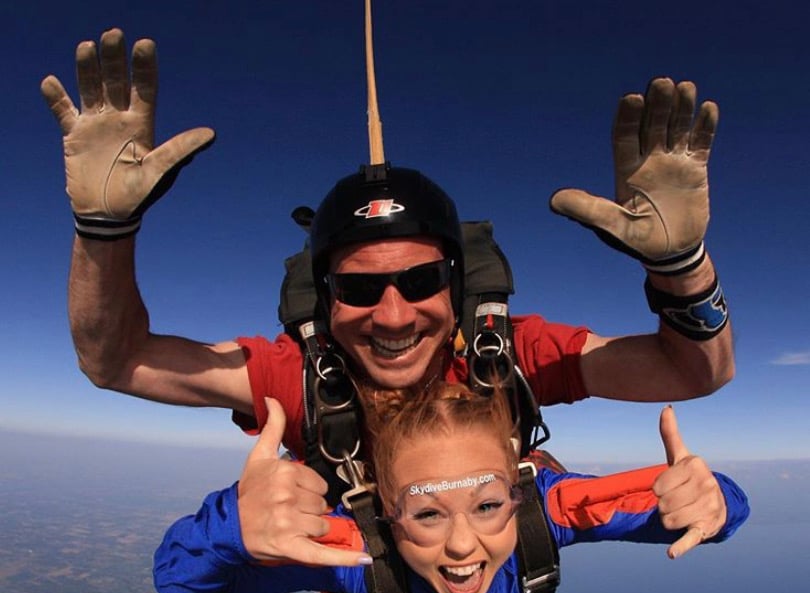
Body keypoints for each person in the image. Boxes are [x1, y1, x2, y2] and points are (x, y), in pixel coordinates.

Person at [41, 28, 732, 429]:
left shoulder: (503, 357)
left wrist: (682, 267)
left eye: (422, 280)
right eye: (360, 289)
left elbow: (694, 372)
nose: (394, 314)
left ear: (455, 284)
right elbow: (114, 361)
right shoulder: (301, 376)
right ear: (326, 297)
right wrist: (103, 229)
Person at [153, 383, 749, 593]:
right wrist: (234, 524)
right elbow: (181, 583)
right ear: (385, 511)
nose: (463, 545)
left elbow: (701, 508)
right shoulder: (352, 551)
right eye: (428, 513)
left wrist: (713, 501)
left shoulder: (549, 511)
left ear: (516, 488)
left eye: (488, 505)